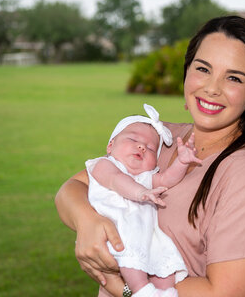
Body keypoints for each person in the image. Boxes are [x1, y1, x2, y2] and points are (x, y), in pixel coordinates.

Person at [55, 15, 245, 297]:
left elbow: (225, 293)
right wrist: (87, 222)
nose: (212, 88)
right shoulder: (159, 140)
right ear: (187, 73)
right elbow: (75, 187)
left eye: (233, 78)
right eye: (203, 69)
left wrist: (121, 286)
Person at [86, 104, 201, 297]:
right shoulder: (104, 165)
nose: (141, 146)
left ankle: (166, 292)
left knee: (164, 263)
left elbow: (166, 179)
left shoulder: (144, 176)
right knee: (130, 255)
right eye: (133, 139)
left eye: (150, 148)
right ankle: (142, 291)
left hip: (145, 234)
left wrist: (181, 163)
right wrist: (140, 193)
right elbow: (116, 180)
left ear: (155, 163)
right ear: (110, 146)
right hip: (117, 232)